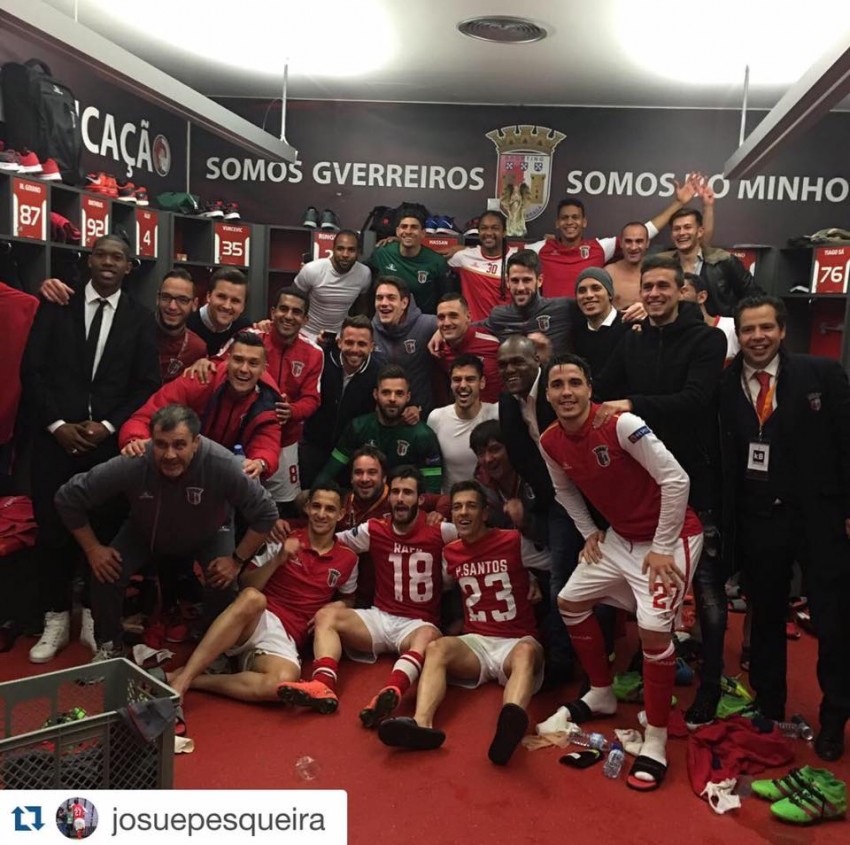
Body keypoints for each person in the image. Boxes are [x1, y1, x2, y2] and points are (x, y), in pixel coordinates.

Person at [537, 354, 704, 791]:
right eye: (557, 385)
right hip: (620, 538)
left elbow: (677, 480)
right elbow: (562, 490)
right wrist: (589, 532)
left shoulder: (621, 424)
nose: (567, 392)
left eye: (575, 382)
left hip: (672, 537)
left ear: (590, 388)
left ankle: (656, 738)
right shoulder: (550, 440)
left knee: (653, 632)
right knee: (569, 601)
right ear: (548, 394)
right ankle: (601, 692)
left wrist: (663, 547)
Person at [594, 254, 727, 727]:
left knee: (706, 590)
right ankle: (655, 657)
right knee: (645, 581)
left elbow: (696, 400)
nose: (653, 294)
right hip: (641, 484)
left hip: (695, 481)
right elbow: (601, 386)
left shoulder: (707, 339)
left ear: (681, 290)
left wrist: (632, 405)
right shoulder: (633, 339)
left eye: (663, 287)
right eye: (647, 286)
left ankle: (712, 685)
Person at [719, 295, 850, 761]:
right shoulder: (724, 384)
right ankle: (769, 703)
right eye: (748, 329)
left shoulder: (822, 374)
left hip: (820, 518)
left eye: (766, 328)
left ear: (782, 331)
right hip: (761, 519)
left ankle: (834, 717)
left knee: (834, 620)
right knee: (766, 616)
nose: (757, 337)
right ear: (739, 334)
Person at [22, 234, 160, 663]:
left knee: (101, 530)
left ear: (129, 267)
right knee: (51, 529)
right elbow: (32, 371)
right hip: (54, 440)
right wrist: (58, 425)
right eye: (101, 254)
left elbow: (146, 384)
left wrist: (107, 426)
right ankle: (55, 616)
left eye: (118, 257)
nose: (108, 262)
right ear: (89, 260)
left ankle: (90, 616)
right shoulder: (57, 303)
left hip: (106, 446)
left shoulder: (140, 318)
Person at [53, 404, 278, 661]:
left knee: (223, 582)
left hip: (210, 531)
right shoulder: (135, 461)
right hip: (145, 529)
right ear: (151, 440)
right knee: (106, 573)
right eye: (161, 444)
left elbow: (267, 512)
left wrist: (236, 561)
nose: (170, 455)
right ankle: (110, 645)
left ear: (196, 442)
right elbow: (67, 498)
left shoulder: (223, 463)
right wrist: (93, 549)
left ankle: (215, 651)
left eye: (179, 445)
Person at [378, 480, 543, 766]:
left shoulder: (513, 541)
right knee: (437, 648)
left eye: (471, 506)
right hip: (477, 641)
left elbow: (552, 563)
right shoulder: (450, 552)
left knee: (526, 653)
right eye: (457, 507)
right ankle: (421, 724)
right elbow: (442, 588)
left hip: (516, 640)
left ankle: (509, 726)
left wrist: (535, 579)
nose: (463, 513)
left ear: (485, 513)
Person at [277, 467, 457, 724]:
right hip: (379, 617)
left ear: (420, 499)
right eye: (395, 492)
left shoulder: (441, 530)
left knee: (428, 636)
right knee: (327, 615)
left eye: (407, 493)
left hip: (417, 624)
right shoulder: (374, 529)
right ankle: (322, 685)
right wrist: (286, 526)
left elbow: (477, 536)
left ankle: (391, 691)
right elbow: (326, 535)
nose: (400, 498)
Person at [166, 482, 358, 708]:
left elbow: (348, 599)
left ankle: (193, 679)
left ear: (341, 514)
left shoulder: (348, 558)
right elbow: (246, 584)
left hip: (288, 636)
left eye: (330, 509)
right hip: (256, 618)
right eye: (316, 506)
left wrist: (333, 608)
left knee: (283, 682)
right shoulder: (284, 537)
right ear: (307, 507)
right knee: (253, 598)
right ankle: (184, 681)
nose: (321, 514)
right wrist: (278, 560)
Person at [190, 287, 323, 513]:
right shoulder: (251, 336)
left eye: (296, 312)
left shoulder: (314, 352)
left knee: (279, 504)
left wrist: (292, 411)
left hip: (285, 439)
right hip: (239, 433)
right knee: (230, 496)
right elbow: (220, 363)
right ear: (273, 311)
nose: (288, 316)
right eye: (283, 309)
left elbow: (312, 398)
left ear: (305, 319)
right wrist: (204, 362)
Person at [119, 331, 281, 479]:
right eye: (238, 360)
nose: (244, 369)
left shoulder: (267, 401)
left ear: (263, 369)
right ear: (228, 360)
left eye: (253, 363)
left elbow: (267, 443)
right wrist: (135, 440)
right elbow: (145, 417)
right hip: (178, 468)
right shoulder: (200, 380)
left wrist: (260, 462)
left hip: (228, 478)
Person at [526, 178, 704, 298]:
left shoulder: (599, 248)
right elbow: (509, 254)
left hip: (586, 320)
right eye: (564, 218)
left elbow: (642, 233)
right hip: (554, 321)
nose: (570, 222)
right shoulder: (541, 248)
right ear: (557, 223)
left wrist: (679, 203)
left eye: (575, 217)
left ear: (584, 222)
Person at [35, 268, 207, 383]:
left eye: (182, 300)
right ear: (157, 298)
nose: (172, 306)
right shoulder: (132, 325)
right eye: (166, 297)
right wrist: (49, 288)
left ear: (194, 304)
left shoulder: (197, 348)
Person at [315, 365, 443, 493]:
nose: (392, 399)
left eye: (399, 393)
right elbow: (329, 472)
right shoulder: (358, 427)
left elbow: (432, 489)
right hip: (363, 498)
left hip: (401, 502)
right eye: (386, 392)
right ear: (376, 394)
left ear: (408, 397)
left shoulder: (422, 435)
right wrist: (313, 494)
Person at [299, 315, 383, 487]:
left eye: (362, 344)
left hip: (352, 454)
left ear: (372, 347)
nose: (355, 349)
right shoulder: (321, 359)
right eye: (349, 342)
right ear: (339, 342)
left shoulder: (379, 372)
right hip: (313, 446)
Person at [660, 206, 759, 317]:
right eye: (677, 229)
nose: (681, 233)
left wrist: (733, 322)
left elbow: (754, 296)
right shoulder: (663, 265)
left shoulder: (724, 261)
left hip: (718, 326)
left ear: (700, 232)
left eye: (687, 227)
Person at [427, 355, 498, 492]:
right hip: (451, 501)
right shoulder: (436, 418)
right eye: (457, 380)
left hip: (491, 502)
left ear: (482, 382)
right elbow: (430, 466)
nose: (463, 385)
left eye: (470, 379)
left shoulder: (496, 414)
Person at [371, 276, 438, 417]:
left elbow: (465, 326)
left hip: (419, 414)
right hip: (380, 415)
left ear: (404, 303)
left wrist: (442, 331)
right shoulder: (369, 331)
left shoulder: (427, 325)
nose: (384, 303)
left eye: (391, 298)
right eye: (379, 298)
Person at [294, 229, 371, 343]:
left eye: (351, 250)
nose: (345, 254)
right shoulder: (312, 270)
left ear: (358, 252)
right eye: (340, 249)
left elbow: (362, 311)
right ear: (333, 249)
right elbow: (292, 301)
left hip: (339, 337)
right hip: (307, 332)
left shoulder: (364, 273)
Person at [368, 207, 450, 314]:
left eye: (414, 227)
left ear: (423, 233)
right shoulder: (382, 253)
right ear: (397, 231)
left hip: (422, 320)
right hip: (387, 317)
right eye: (404, 227)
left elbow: (446, 299)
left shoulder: (436, 262)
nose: (408, 231)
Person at [434, 292, 503, 403]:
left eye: (453, 316)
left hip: (497, 411)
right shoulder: (437, 350)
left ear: (468, 317)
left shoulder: (493, 344)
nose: (446, 323)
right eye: (441, 317)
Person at [446, 210, 514, 321]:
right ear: (478, 231)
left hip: (505, 327)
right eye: (484, 228)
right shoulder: (463, 257)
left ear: (504, 232)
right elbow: (436, 259)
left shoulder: (515, 259)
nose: (489, 233)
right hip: (475, 328)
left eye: (495, 228)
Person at [570, 267, 631, 376]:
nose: (589, 295)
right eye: (582, 291)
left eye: (596, 288)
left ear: (610, 294)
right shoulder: (575, 334)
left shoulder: (629, 325)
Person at [681, 272, 739, 363]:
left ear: (702, 297)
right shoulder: (676, 337)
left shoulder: (732, 327)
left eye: (682, 291)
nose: (677, 296)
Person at [604, 221, 651, 311]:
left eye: (639, 241)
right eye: (628, 241)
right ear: (621, 243)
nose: (633, 247)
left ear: (647, 243)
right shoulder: (609, 272)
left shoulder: (656, 271)